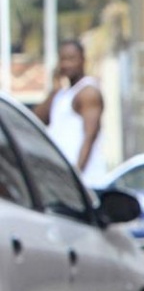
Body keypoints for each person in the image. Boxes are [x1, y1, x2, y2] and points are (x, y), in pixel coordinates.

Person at [35, 39, 106, 186]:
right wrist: (54, 88)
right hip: (62, 180)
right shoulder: (62, 94)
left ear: (82, 60)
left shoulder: (88, 91)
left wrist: (76, 176)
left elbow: (89, 137)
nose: (66, 64)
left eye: (71, 59)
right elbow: (35, 120)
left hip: (84, 182)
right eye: (63, 59)